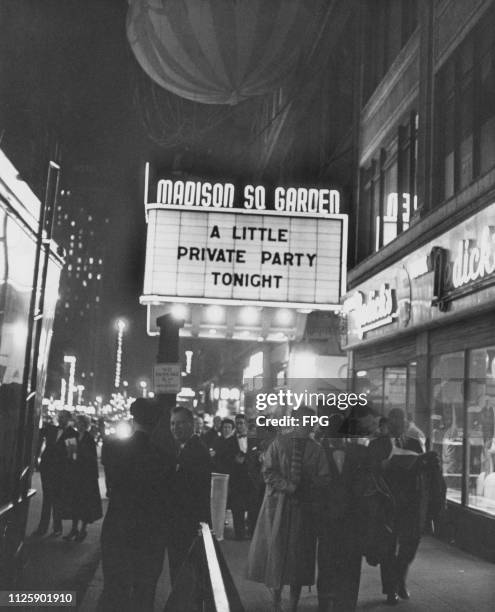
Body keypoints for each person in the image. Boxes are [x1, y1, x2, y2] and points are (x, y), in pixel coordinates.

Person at [247, 406, 329, 612]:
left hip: (304, 510)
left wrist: (309, 487)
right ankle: (276, 599)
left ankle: (292, 603)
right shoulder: (279, 444)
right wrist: (289, 486)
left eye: (311, 421)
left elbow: (324, 478)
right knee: (277, 552)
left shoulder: (316, 449)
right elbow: (268, 472)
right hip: (279, 508)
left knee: (300, 557)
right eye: (304, 420)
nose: (308, 425)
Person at [98, 399, 173, 612]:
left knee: (114, 589)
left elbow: (111, 486)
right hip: (150, 533)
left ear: (134, 419)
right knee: (144, 592)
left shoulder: (112, 449)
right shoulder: (164, 458)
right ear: (157, 423)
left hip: (118, 527)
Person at [368, 408, 424, 605]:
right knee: (388, 548)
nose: (398, 425)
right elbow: (369, 471)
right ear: (388, 423)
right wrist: (382, 466)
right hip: (387, 503)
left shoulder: (415, 443)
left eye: (401, 422)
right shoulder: (376, 445)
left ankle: (400, 576)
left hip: (410, 503)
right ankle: (391, 589)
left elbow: (422, 469)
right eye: (394, 422)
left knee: (410, 545)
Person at [315, 412, 369, 612]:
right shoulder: (318, 453)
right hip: (328, 521)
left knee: (351, 565)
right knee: (328, 564)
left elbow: (365, 485)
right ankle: (325, 603)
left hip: (352, 521)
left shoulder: (359, 452)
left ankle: (347, 604)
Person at [168, 405, 212, 584]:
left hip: (187, 525)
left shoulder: (196, 451)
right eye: (172, 424)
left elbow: (193, 492)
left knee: (184, 578)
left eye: (180, 423)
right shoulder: (185, 448)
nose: (175, 428)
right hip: (184, 524)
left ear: (191, 424)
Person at [32, 409, 77, 537]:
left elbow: (72, 455)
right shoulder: (51, 429)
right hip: (47, 468)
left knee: (57, 499)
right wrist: (36, 458)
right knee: (47, 498)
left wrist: (69, 472)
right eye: (60, 417)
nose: (61, 419)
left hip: (60, 470)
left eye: (64, 417)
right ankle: (43, 527)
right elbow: (38, 436)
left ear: (68, 419)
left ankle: (57, 528)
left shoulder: (71, 434)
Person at [63, 414, 102, 542]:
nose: (78, 425)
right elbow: (70, 455)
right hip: (75, 474)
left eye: (80, 423)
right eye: (77, 423)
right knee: (74, 503)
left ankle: (83, 529)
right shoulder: (73, 436)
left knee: (84, 504)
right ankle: (74, 529)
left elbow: (91, 458)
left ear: (85, 425)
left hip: (85, 476)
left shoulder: (89, 438)